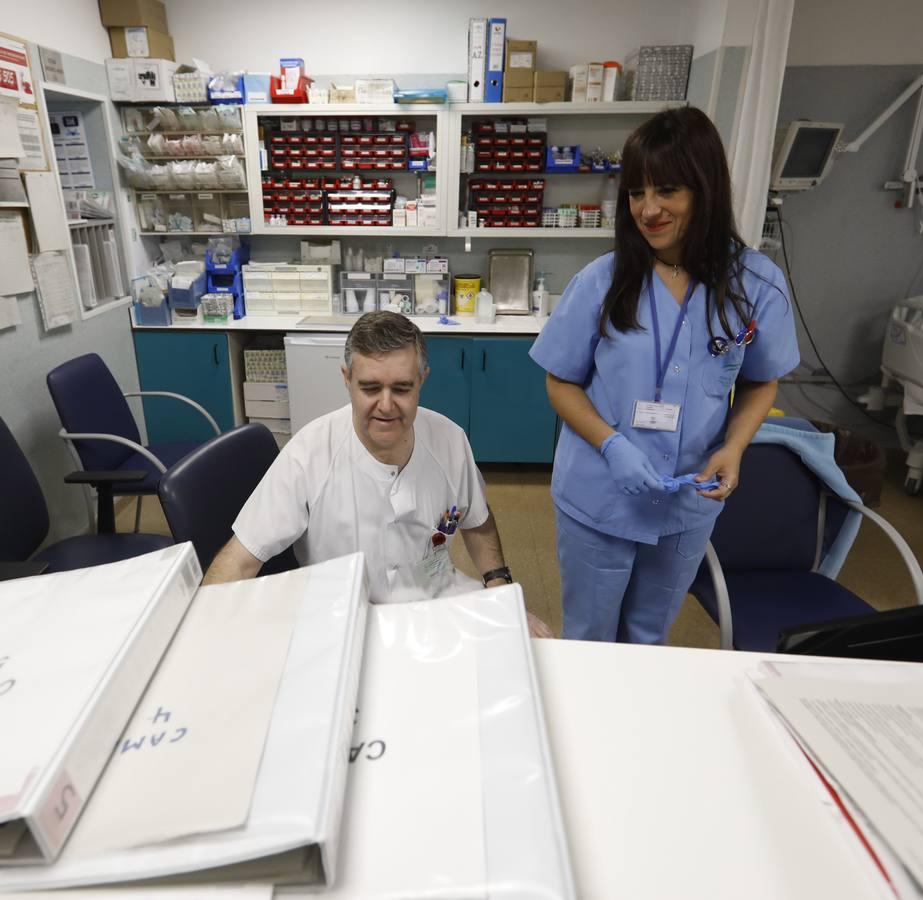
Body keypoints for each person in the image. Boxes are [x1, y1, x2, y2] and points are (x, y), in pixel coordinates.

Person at [528, 107, 800, 644]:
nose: (648, 210)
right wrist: (611, 446)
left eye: (667, 191)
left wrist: (736, 447)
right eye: (635, 193)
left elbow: (760, 380)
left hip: (688, 498)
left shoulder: (757, 286)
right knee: (590, 638)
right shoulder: (602, 282)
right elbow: (560, 382)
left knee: (649, 636)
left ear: (705, 189)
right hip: (600, 495)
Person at [205, 311, 555, 637]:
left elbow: (477, 522)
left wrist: (502, 593)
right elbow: (240, 558)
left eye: (401, 388)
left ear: (422, 380)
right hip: (343, 620)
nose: (386, 405)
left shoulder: (450, 440)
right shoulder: (308, 454)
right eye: (370, 388)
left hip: (438, 600)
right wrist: (196, 635)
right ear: (347, 379)